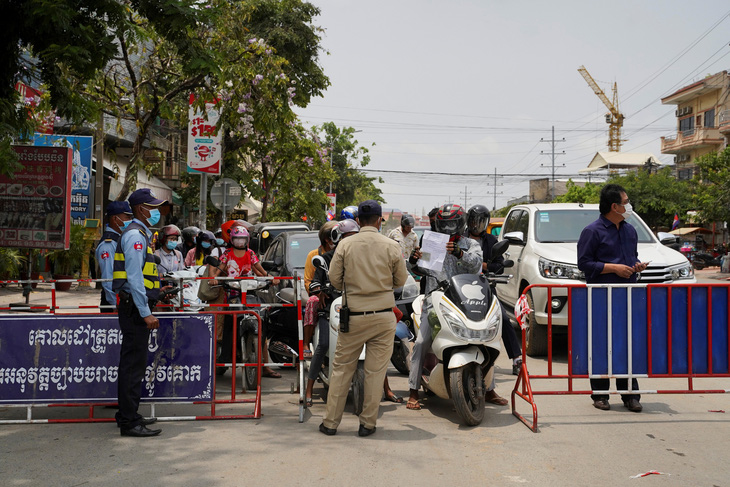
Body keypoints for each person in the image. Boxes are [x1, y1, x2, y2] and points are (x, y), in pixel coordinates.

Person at [319, 200, 408, 437]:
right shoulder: (391, 245)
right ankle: (367, 424)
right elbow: (400, 281)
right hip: (383, 317)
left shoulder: (346, 245)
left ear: (358, 221)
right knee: (375, 373)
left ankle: (330, 423)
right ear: (380, 220)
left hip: (353, 317)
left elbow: (335, 280)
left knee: (341, 371)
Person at [577, 184, 649, 413]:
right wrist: (613, 268)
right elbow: (584, 264)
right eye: (626, 202)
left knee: (627, 344)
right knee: (601, 343)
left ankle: (630, 395)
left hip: (627, 295)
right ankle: (600, 394)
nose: (629, 206)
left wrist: (636, 266)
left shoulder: (630, 230)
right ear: (614, 206)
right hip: (600, 295)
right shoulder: (592, 231)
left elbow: (631, 258)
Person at [406, 204, 483, 411]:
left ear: (460, 223)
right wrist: (413, 262)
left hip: (465, 302)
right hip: (436, 301)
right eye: (445, 223)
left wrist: (460, 254)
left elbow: (476, 265)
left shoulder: (470, 244)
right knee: (422, 341)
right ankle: (413, 390)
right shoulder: (434, 243)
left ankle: (489, 388)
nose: (448, 228)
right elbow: (422, 268)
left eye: (452, 223)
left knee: (486, 338)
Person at [112, 188, 173, 437]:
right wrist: (146, 312)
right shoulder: (136, 236)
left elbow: (141, 278)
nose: (157, 212)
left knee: (133, 364)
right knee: (133, 367)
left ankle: (129, 415)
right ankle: (129, 421)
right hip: (134, 310)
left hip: (133, 306)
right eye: (153, 207)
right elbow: (135, 279)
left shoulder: (140, 234)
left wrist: (159, 291)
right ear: (140, 209)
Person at [465, 204, 520, 406]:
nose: (476, 225)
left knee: (503, 319)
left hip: (484, 288)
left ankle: (517, 359)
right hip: (459, 288)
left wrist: (479, 264)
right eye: (474, 221)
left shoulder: (490, 240)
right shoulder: (460, 239)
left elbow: (497, 265)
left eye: (481, 222)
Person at [209, 225, 282, 378]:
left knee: (261, 321)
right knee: (229, 325)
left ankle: (263, 364)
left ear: (247, 240)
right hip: (232, 293)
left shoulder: (250, 253)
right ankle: (225, 357)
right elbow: (219, 269)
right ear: (232, 240)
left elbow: (258, 269)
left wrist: (269, 277)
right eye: (237, 239)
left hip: (250, 291)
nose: (240, 242)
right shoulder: (227, 253)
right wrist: (214, 278)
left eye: (243, 239)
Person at [305, 219, 360, 406]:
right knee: (323, 344)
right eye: (346, 237)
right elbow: (313, 283)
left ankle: (384, 388)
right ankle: (309, 389)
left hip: (355, 310)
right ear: (337, 238)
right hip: (329, 311)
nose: (349, 242)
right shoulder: (326, 259)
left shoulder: (360, 261)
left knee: (373, 344)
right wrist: (319, 290)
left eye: (353, 237)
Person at [302, 221, 338, 358]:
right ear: (327, 240)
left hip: (340, 294)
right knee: (312, 301)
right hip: (320, 294)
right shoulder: (314, 255)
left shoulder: (342, 253)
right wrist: (319, 290)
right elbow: (308, 280)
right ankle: (306, 343)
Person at [95, 201, 133, 310]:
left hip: (124, 299)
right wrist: (115, 304)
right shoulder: (108, 244)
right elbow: (108, 279)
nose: (130, 221)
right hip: (114, 303)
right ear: (115, 219)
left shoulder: (119, 240)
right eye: (127, 217)